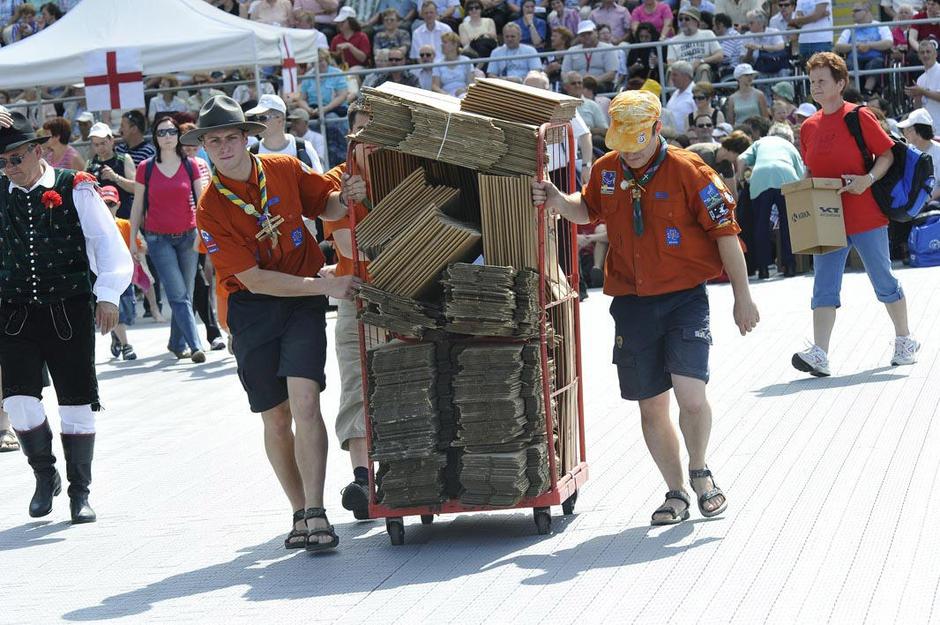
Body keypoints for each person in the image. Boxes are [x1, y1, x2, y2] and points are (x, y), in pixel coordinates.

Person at [531, 90, 759, 525]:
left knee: (691, 395)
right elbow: (588, 208)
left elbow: (726, 234)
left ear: (657, 129)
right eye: (623, 143)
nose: (631, 153)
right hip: (631, 304)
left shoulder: (690, 171)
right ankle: (675, 493)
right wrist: (559, 202)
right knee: (650, 405)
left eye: (638, 142)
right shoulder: (607, 169)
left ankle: (700, 470)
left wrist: (742, 298)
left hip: (683, 299)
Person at [185, 95, 365, 552]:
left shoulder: (283, 166)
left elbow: (324, 205)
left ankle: (318, 509)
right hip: (253, 306)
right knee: (276, 416)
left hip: (302, 301)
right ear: (204, 146)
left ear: (248, 138)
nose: (223, 146)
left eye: (231, 136)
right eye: (213, 140)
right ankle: (299, 510)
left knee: (305, 402)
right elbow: (254, 278)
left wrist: (343, 200)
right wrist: (324, 287)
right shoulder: (209, 207)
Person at [0, 110, 133, 524]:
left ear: (38, 151)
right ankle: (44, 474)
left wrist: (108, 295)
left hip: (69, 308)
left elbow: (107, 242)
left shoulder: (75, 187)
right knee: (19, 401)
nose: (9, 168)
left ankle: (80, 492)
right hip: (14, 311)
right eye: (1, 163)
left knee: (76, 402)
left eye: (15, 159)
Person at [793, 52, 918, 377]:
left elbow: (887, 155)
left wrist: (867, 180)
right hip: (827, 218)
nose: (815, 87)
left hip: (865, 214)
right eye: (812, 81)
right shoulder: (808, 126)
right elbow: (810, 169)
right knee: (824, 286)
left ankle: (904, 339)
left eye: (822, 81)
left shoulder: (859, 117)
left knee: (883, 280)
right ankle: (820, 354)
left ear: (841, 83)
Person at [317, 105, 375, 519]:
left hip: (410, 293)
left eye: (377, 131)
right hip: (355, 294)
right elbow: (350, 246)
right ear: (348, 138)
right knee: (356, 384)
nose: (368, 142)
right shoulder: (335, 183)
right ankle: (362, 479)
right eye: (360, 134)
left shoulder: (410, 171)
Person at [128, 117, 207, 363]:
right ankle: (195, 346)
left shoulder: (191, 165)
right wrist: (132, 239)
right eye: (162, 132)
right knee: (178, 294)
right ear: (155, 137)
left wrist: (206, 235)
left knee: (186, 294)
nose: (167, 136)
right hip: (158, 239)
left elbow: (202, 203)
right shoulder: (145, 167)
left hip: (189, 237)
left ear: (178, 136)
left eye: (172, 131)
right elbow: (138, 205)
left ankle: (175, 342)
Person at [727, 127, 804, 278]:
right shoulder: (789, 146)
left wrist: (741, 178)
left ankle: (763, 268)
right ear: (789, 137)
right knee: (788, 224)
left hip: (760, 177)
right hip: (786, 176)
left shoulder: (760, 142)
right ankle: (790, 266)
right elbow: (801, 173)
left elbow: (741, 159)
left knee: (761, 225)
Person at [99, 185, 141, 360]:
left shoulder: (124, 224)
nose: (108, 207)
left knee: (129, 313)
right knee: (119, 312)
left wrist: (139, 250)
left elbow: (139, 245)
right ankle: (126, 345)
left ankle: (116, 336)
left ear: (118, 204)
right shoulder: (96, 227)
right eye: (104, 203)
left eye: (111, 203)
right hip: (107, 276)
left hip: (126, 275)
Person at [294, 49, 350, 167]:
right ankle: (315, 161)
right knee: (311, 124)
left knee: (331, 120)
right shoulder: (308, 77)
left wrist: (325, 109)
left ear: (327, 60)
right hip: (314, 110)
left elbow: (342, 95)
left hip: (334, 109)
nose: (320, 63)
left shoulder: (336, 73)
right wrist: (309, 109)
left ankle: (339, 159)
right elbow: (301, 99)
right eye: (317, 61)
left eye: (322, 60)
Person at [247, 94, 324, 173]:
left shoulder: (303, 147)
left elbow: (319, 182)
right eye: (256, 118)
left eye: (263, 118)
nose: (258, 123)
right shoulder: (251, 153)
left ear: (280, 119)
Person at [834, 3, 892, 96]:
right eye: (852, 11)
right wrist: (854, 45)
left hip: (874, 57)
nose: (853, 14)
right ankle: (852, 94)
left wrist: (869, 45)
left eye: (856, 11)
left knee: (876, 63)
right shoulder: (850, 29)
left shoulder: (880, 26)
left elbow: (888, 43)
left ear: (867, 12)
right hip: (854, 58)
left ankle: (866, 92)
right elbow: (838, 46)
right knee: (848, 64)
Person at [666, 7, 723, 83]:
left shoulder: (708, 34)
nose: (683, 22)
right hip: (682, 71)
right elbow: (670, 62)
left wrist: (701, 61)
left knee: (704, 68)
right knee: (671, 70)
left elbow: (719, 55)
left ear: (696, 21)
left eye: (687, 19)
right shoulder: (673, 40)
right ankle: (676, 95)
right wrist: (684, 68)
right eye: (680, 19)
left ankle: (702, 94)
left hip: (701, 67)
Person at [562, 21, 620, 91]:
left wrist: (593, 82)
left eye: (589, 33)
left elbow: (611, 74)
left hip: (600, 85)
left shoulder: (608, 48)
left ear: (596, 33)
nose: (586, 37)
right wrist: (574, 83)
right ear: (579, 37)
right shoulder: (572, 50)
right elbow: (564, 73)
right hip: (577, 86)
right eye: (583, 35)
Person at [898, 108, 940, 202]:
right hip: (907, 205)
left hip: (932, 204)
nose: (904, 133)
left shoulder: (938, 151)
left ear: (916, 131)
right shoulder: (906, 151)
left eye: (907, 129)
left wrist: (923, 202)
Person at [904, 40, 940, 137]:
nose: (925, 55)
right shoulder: (920, 79)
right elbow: (918, 109)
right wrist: (917, 96)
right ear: (919, 56)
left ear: (935, 54)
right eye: (922, 52)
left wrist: (922, 91)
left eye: (928, 52)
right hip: (930, 131)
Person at [665, 60, 696, 134]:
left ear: (686, 76)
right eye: (671, 75)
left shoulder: (695, 94)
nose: (672, 78)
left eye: (675, 75)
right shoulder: (676, 93)